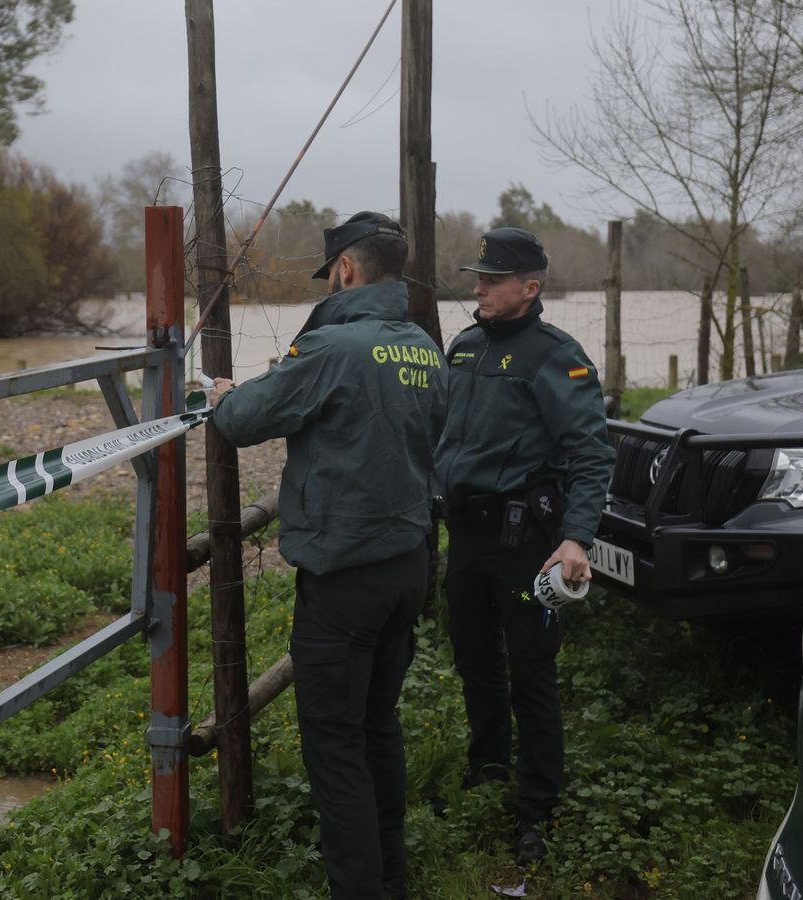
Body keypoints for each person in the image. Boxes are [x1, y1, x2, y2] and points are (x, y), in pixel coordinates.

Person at [209, 211, 448, 900]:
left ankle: (358, 890)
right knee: (378, 726)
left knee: (335, 745)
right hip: (408, 564)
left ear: (344, 269)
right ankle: (389, 879)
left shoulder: (335, 348)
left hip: (345, 578)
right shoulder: (421, 346)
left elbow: (247, 419)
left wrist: (223, 394)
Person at [435, 226, 613, 863]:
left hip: (526, 543)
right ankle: (487, 768)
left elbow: (591, 455)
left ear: (530, 287)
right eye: (476, 276)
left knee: (531, 671)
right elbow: (444, 440)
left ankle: (536, 806)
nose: (477, 287)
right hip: (467, 538)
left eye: (490, 279)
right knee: (475, 661)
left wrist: (576, 538)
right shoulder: (463, 347)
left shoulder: (554, 356)